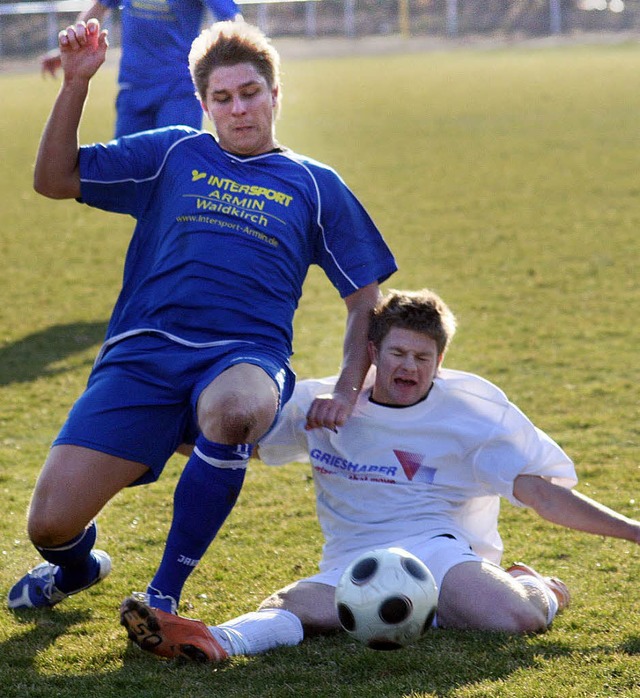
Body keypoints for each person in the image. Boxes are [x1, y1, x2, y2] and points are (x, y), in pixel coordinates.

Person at [7, 20, 397, 614]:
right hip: (142, 357)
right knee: (49, 526)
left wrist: (347, 388)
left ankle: (162, 596)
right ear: (204, 104)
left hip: (242, 357)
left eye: (250, 93)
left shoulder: (315, 186)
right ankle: (77, 567)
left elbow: (363, 299)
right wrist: (76, 86)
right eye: (223, 97)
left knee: (236, 408)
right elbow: (53, 180)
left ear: (275, 95)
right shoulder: (172, 153)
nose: (239, 109)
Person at [119, 288, 640, 662]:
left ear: (440, 361)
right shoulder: (321, 407)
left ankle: (540, 587)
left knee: (514, 619)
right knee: (289, 608)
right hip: (355, 561)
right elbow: (225, 442)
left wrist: (636, 533)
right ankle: (212, 641)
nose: (410, 367)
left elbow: (544, 497)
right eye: (398, 353)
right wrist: (131, 442)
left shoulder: (474, 416)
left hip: (440, 550)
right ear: (372, 353)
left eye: (423, 357)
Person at [41, 0, 243, 137]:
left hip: (179, 89)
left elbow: (233, 21)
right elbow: (98, 8)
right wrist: (67, 50)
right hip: (133, 88)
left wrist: (243, 59)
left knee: (175, 167)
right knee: (125, 175)